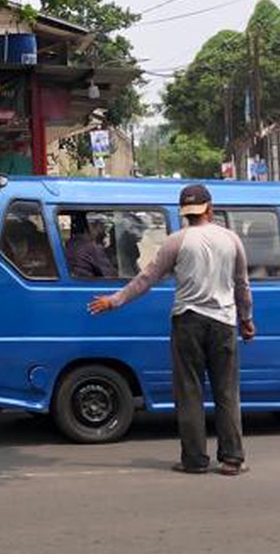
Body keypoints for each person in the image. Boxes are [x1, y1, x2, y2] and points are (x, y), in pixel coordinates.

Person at [88, 183, 255, 476]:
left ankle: (194, 460)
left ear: (185, 213)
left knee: (189, 392)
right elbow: (242, 285)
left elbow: (146, 279)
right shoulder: (232, 240)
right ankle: (232, 459)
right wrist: (247, 320)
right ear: (210, 209)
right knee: (227, 392)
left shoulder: (175, 242)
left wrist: (113, 301)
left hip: (187, 322)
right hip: (223, 323)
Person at [64, 212, 116, 280]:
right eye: (101, 227)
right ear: (91, 227)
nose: (104, 233)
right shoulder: (92, 248)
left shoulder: (71, 244)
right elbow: (111, 276)